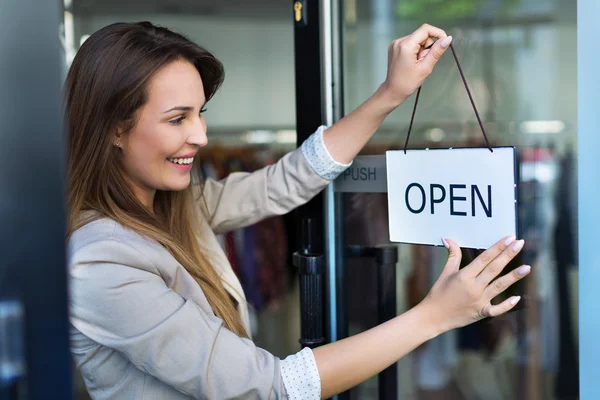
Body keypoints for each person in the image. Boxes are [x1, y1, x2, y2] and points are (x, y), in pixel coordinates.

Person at [66, 21, 530, 400]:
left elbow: (286, 181)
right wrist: (432, 316)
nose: (202, 136)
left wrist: (391, 92)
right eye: (177, 118)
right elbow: (268, 385)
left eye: (200, 113)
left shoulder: (174, 207)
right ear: (115, 129)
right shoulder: (100, 262)